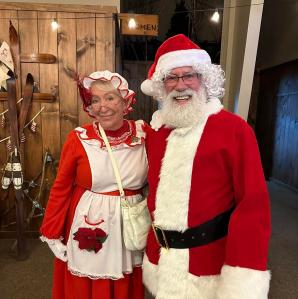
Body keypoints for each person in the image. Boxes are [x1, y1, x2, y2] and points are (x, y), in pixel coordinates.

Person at [141, 34, 271, 299]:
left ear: (203, 80)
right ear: (162, 85)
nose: (180, 85)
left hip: (210, 269)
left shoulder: (235, 130)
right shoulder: (156, 132)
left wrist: (242, 275)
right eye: (171, 77)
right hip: (162, 264)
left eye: (188, 75)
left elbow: (253, 207)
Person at [40, 70, 148, 299]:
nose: (102, 106)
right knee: (85, 283)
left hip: (129, 226)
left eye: (109, 98)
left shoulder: (144, 135)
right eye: (95, 100)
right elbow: (61, 188)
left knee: (125, 281)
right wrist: (51, 232)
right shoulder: (79, 138)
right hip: (89, 222)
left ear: (124, 101)